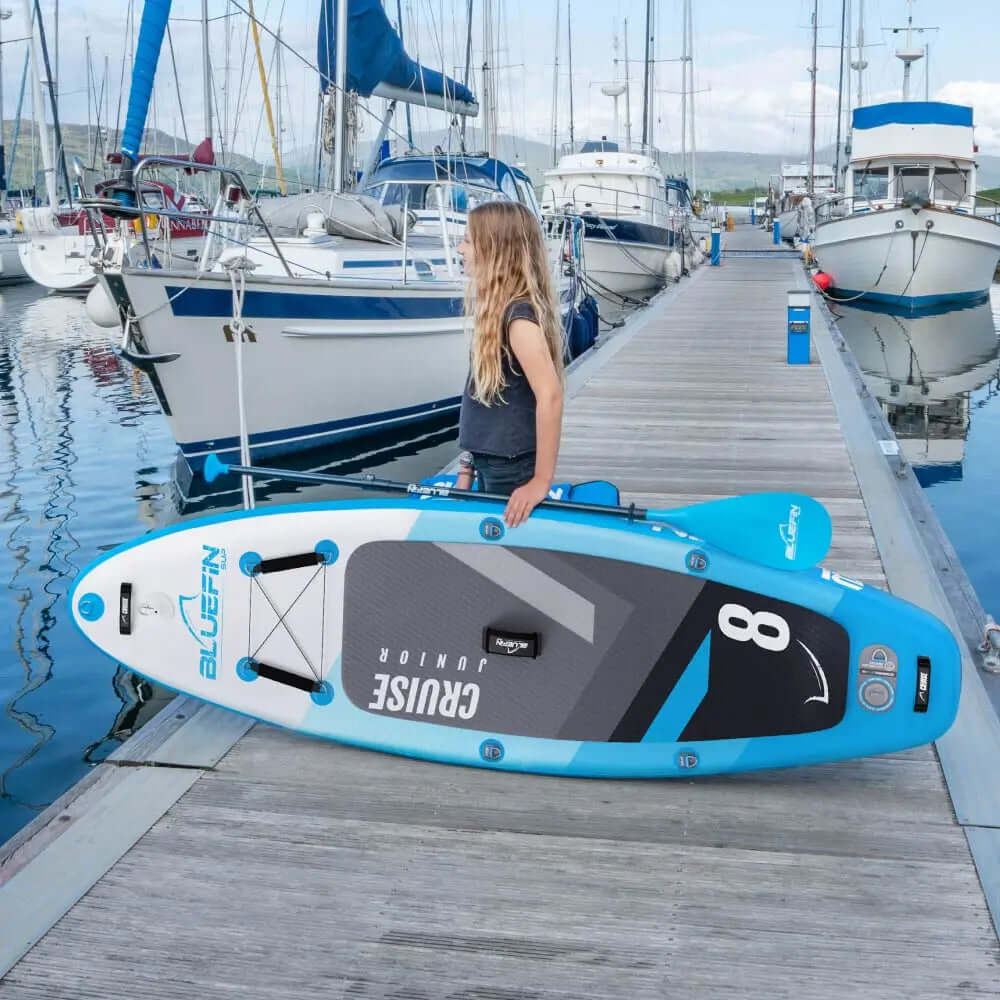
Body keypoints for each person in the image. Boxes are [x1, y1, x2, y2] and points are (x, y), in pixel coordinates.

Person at [455, 201, 565, 528]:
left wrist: (541, 482)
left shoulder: (518, 319)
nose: (461, 249)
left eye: (468, 241)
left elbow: (551, 396)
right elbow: (481, 398)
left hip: (511, 469)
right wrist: (466, 469)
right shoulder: (494, 312)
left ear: (495, 249)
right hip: (488, 463)